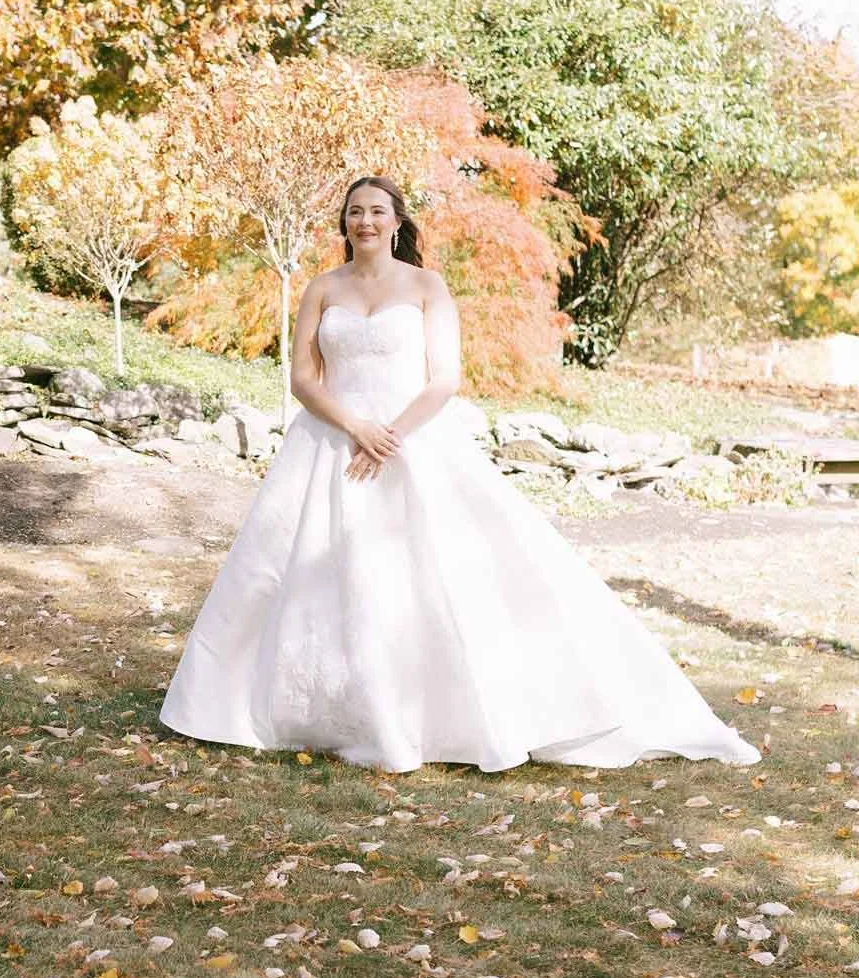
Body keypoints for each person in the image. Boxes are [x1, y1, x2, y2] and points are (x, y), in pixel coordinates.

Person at [159, 176, 761, 774]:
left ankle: (443, 714)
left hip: (411, 440)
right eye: (355, 212)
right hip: (330, 442)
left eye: (377, 211)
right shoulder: (322, 288)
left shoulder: (427, 287)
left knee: (440, 573)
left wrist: (389, 435)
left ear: (397, 221)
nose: (365, 221)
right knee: (310, 574)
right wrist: (356, 427)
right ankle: (320, 710)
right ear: (344, 222)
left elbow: (444, 378)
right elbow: (302, 379)